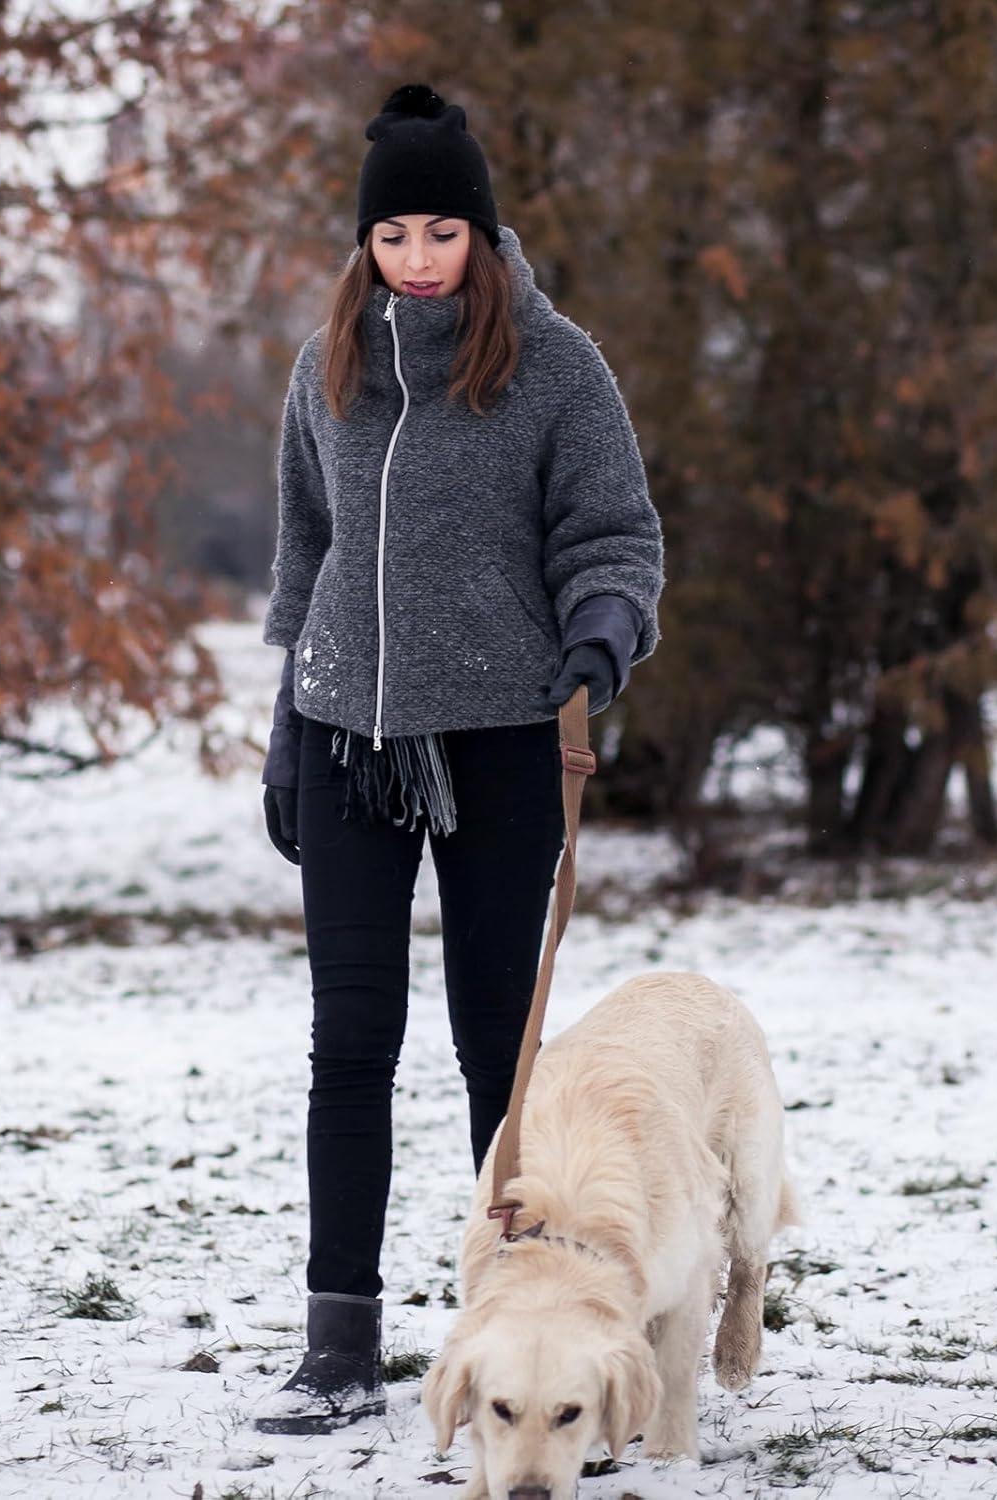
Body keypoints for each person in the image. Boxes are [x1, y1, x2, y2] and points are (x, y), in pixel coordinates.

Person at [252, 83, 664, 1436]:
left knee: (502, 1046)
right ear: (364, 244)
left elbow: (612, 534)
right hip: (349, 740)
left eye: (441, 233)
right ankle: (338, 1342)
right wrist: (287, 726)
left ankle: (523, 1316)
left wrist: (601, 631)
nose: (417, 259)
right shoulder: (327, 370)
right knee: (350, 1041)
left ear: (482, 235)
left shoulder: (554, 367)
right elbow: (305, 555)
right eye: (392, 237)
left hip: (501, 739)